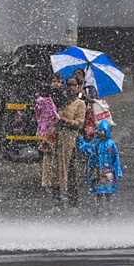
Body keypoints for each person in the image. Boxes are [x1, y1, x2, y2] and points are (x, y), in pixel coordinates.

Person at [53, 78, 87, 206]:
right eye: (69, 85)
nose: (71, 87)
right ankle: (57, 198)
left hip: (71, 139)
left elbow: (80, 123)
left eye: (73, 85)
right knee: (57, 168)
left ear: (78, 87)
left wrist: (67, 121)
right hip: (59, 138)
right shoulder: (62, 101)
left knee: (71, 169)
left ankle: (73, 199)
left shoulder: (80, 104)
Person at [78, 121, 123, 209]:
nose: (101, 133)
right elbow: (89, 149)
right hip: (98, 170)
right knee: (98, 190)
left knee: (108, 190)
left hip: (108, 171)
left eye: (103, 131)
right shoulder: (96, 143)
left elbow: (116, 157)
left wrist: (118, 170)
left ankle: (108, 206)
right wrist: (82, 142)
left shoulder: (111, 144)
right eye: (100, 131)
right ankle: (99, 206)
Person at [35, 76, 61, 193]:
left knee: (48, 156)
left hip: (44, 129)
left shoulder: (39, 101)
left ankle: (48, 182)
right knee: (51, 156)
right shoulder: (49, 101)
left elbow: (38, 115)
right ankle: (51, 182)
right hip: (50, 129)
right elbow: (54, 114)